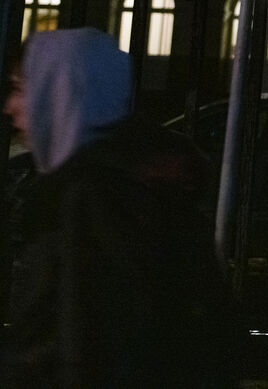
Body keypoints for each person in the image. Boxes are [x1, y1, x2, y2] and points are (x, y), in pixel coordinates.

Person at [4, 26, 236, 387]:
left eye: (21, 89)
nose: (10, 107)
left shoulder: (94, 201)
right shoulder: (139, 186)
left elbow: (89, 353)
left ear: (59, 94)